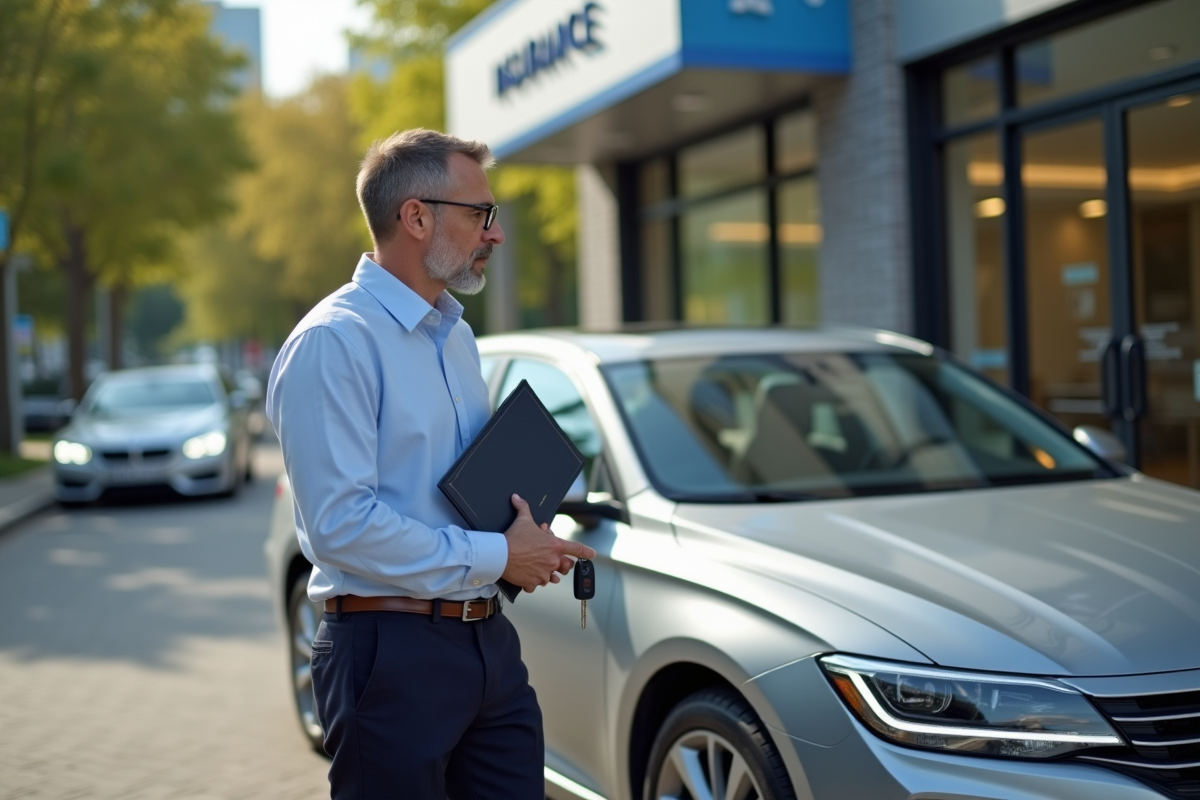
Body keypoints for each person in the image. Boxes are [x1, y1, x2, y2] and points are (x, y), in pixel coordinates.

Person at [266, 128, 596, 800]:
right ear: (416, 217)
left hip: (488, 645)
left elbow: (464, 488)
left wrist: (527, 534)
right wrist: (498, 556)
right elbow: (342, 528)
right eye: (481, 214)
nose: (494, 234)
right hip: (388, 653)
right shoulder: (334, 343)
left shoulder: (456, 335)